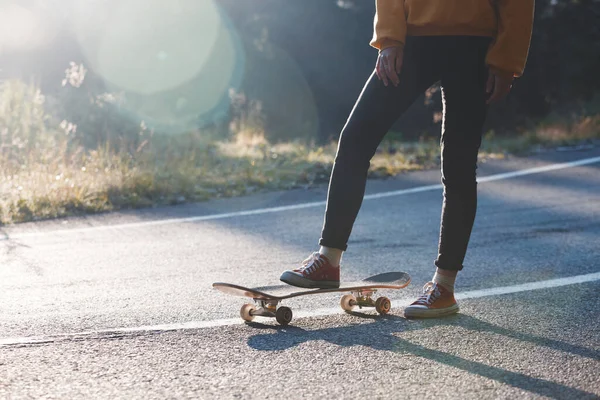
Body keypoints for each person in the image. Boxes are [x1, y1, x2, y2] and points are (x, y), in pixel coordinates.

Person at [280, 0, 535, 318]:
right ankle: (328, 260)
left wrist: (506, 58)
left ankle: (443, 286)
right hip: (414, 38)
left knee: (458, 164)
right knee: (355, 139)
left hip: (475, 43)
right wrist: (389, 38)